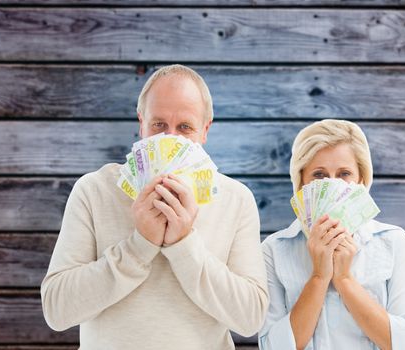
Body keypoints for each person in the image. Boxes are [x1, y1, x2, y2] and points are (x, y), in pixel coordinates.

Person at [41, 64, 269, 349]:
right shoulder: (93, 190)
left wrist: (184, 245)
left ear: (205, 130)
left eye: (185, 127)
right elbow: (56, 310)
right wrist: (140, 245)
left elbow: (250, 318)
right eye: (158, 125)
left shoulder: (236, 199)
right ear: (141, 124)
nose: (170, 140)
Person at [258, 120, 405, 350]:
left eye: (344, 173)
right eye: (319, 175)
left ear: (361, 182)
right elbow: (273, 347)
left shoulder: (394, 242)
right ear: (300, 184)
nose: (333, 185)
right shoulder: (274, 249)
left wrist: (344, 279)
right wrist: (319, 277)